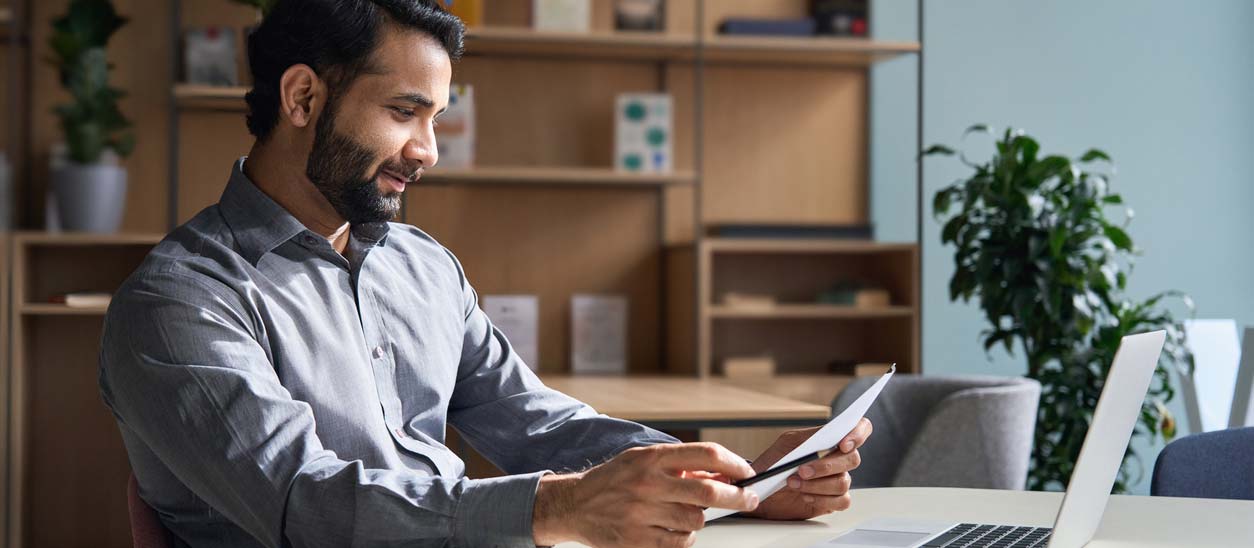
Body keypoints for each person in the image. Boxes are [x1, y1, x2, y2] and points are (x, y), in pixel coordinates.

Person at [98, 1, 872, 547]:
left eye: (435, 118)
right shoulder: (179, 302)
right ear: (302, 97)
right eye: (404, 112)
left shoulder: (422, 266)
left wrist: (726, 483)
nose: (429, 151)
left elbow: (537, 423)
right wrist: (558, 507)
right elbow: (304, 504)